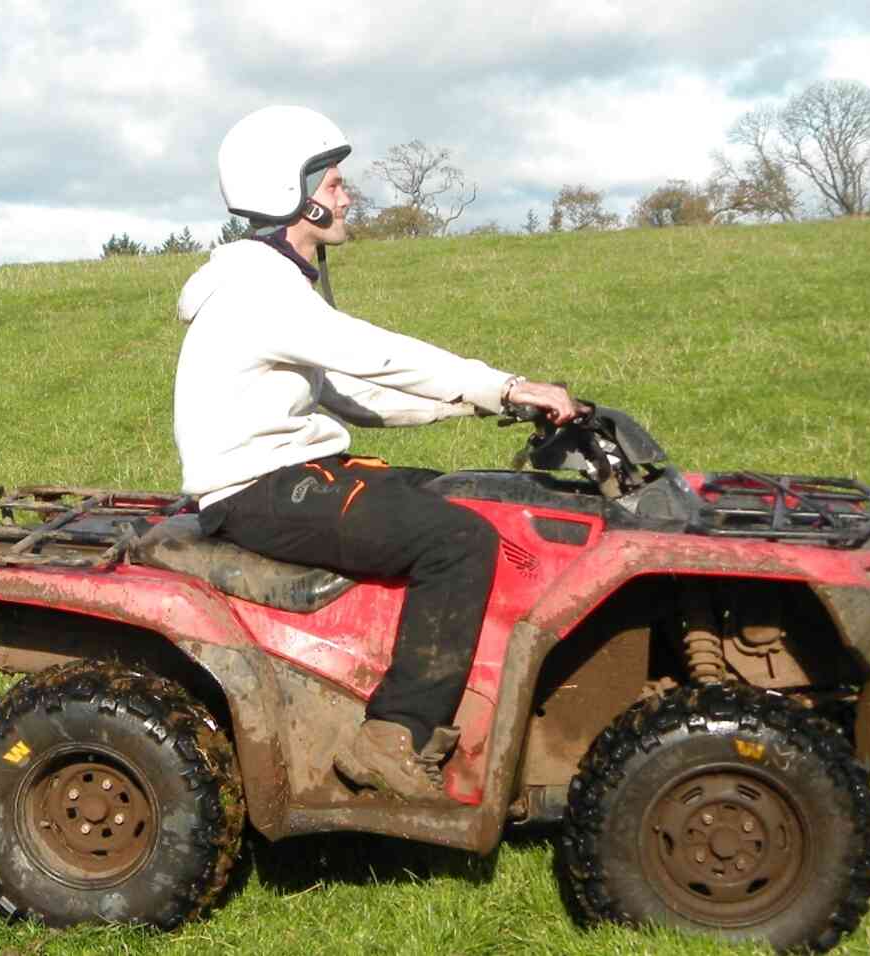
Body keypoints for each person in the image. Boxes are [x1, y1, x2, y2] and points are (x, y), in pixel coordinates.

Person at [172, 105, 579, 801]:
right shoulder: (257, 289)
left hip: (292, 472)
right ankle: (395, 738)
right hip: (256, 489)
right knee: (457, 542)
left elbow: (357, 397)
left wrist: (486, 407)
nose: (346, 194)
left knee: (463, 494)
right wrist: (504, 385)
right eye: (332, 184)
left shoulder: (276, 288)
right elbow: (377, 355)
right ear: (289, 194)